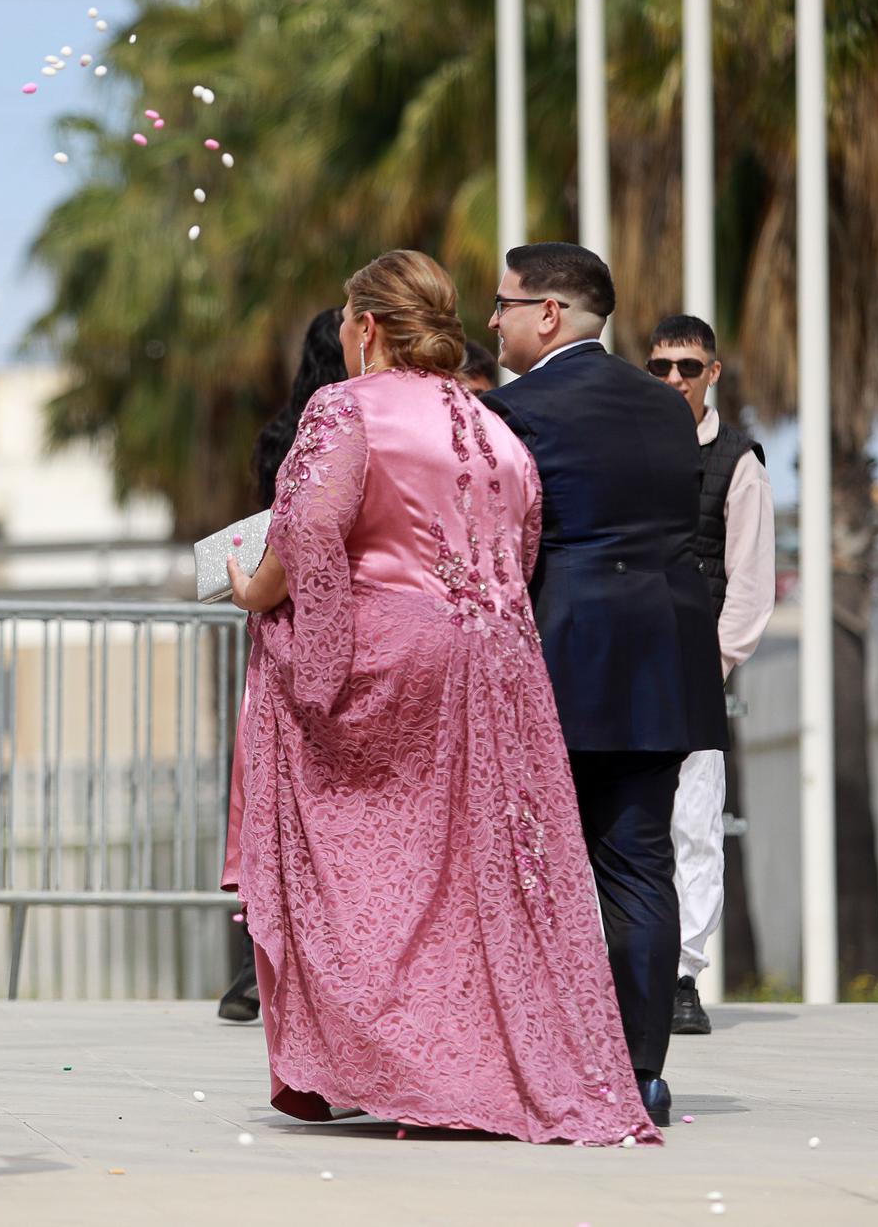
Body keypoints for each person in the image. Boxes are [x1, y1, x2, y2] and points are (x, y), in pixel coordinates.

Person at [225, 249, 656, 1146]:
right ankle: (484, 1063)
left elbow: (309, 529)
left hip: (394, 655)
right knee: (474, 879)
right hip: (499, 672)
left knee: (370, 873)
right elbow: (525, 540)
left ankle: (388, 1059)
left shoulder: (343, 406)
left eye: (347, 322)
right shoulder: (493, 423)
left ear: (368, 327)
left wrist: (260, 601)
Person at [479, 243, 726, 1125]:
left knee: (541, 867)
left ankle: (559, 1064)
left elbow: (504, 537)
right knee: (642, 863)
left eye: (503, 303)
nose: (493, 319)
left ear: (549, 313)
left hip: (567, 651)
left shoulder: (512, 411)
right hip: (664, 649)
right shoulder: (668, 409)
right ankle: (644, 1069)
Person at [642, 314, 774, 1036]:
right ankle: (626, 970)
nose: (672, 380)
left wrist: (711, 665)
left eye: (686, 367)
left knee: (694, 825)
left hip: (692, 669)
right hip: (624, 666)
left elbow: (750, 586)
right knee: (625, 824)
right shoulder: (627, 447)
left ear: (713, 373)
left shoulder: (739, 462)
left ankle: (684, 974)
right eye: (659, 366)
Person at [219, 306, 346, 1024]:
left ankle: (253, 956)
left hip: (276, 625)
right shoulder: (350, 432)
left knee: (265, 793)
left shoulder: (279, 437)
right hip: (335, 627)